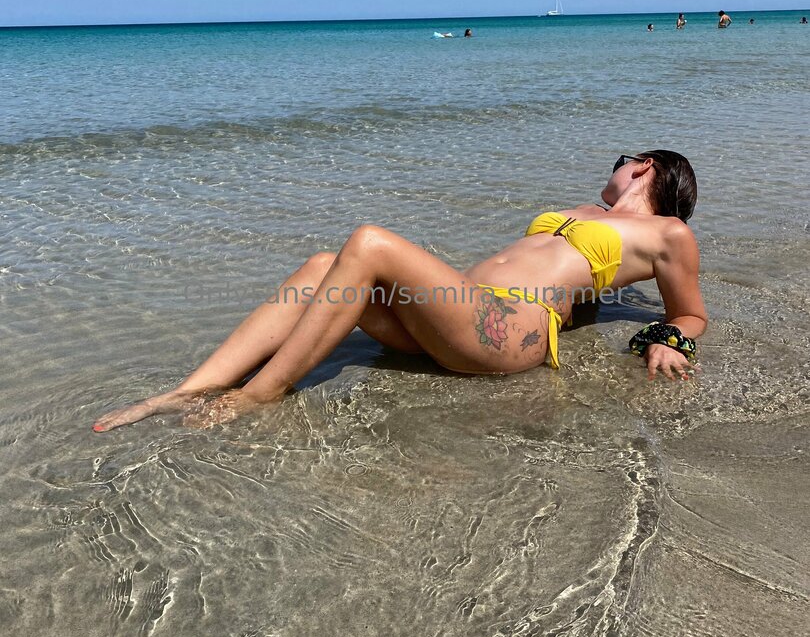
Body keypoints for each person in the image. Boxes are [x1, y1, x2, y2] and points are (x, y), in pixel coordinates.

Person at [93, 151, 707, 431]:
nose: (612, 167)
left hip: (504, 330)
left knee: (370, 243)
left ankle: (259, 395)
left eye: (621, 159)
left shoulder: (667, 232)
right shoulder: (581, 211)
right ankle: (187, 391)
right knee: (321, 266)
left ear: (645, 167)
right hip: (457, 315)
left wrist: (668, 338)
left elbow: (690, 311)